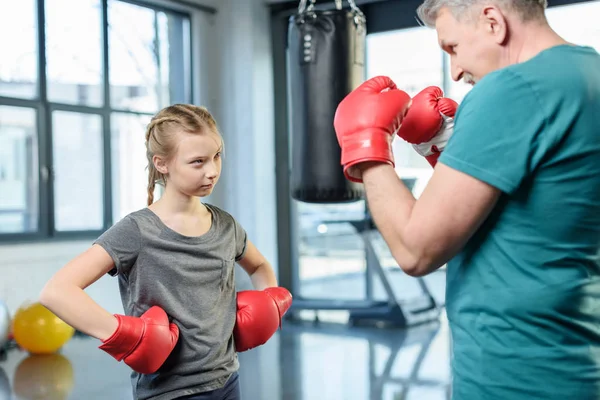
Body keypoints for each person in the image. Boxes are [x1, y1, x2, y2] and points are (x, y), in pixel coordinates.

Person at [333, 0, 600, 398]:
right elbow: (537, 206)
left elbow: (415, 249)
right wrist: (442, 151)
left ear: (493, 22)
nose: (455, 71)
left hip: (515, 376)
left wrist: (367, 143)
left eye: (453, 48)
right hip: (576, 360)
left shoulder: (512, 89)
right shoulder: (587, 73)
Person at [39, 104, 293, 400]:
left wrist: (268, 305)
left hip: (227, 382)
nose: (212, 170)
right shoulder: (138, 231)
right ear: (162, 164)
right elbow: (56, 291)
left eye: (216, 156)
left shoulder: (226, 226)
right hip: (168, 393)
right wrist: (123, 335)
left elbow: (259, 266)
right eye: (197, 162)